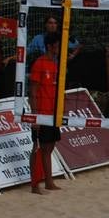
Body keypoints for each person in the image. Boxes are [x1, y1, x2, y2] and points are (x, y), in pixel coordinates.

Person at [29, 32, 64, 194]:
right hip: (41, 113)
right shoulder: (40, 63)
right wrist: (35, 116)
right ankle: (35, 185)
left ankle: (49, 181)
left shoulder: (55, 64)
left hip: (52, 113)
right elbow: (33, 90)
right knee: (38, 147)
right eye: (57, 45)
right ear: (50, 46)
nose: (59, 48)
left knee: (49, 147)